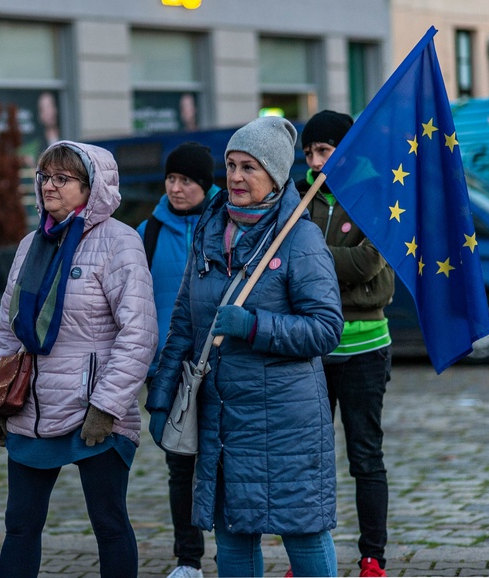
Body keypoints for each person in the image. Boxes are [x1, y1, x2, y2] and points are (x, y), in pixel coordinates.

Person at [146, 116, 344, 578]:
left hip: (286, 422)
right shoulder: (209, 230)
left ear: (274, 176)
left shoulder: (301, 236)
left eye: (249, 167)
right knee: (233, 535)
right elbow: (182, 323)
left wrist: (255, 326)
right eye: (231, 165)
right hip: (222, 419)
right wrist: (161, 397)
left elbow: (324, 328)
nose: (235, 177)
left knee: (304, 532)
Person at [0, 141, 159, 578]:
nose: (49, 186)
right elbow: (9, 329)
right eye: (44, 177)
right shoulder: (31, 244)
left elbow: (139, 333)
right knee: (20, 526)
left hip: (93, 410)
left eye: (62, 178)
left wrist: (108, 406)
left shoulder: (120, 242)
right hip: (32, 407)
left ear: (92, 187)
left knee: (109, 524)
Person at [297, 110, 394, 578]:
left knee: (365, 455)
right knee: (311, 457)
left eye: (324, 151)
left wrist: (310, 256)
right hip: (314, 347)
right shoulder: (301, 199)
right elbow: (287, 264)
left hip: (365, 347)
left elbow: (367, 264)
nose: (316, 162)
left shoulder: (376, 192)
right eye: (309, 154)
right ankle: (310, 555)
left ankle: (372, 555)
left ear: (347, 148)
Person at [137, 141, 220, 578]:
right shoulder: (146, 233)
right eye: (171, 178)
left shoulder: (226, 226)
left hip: (221, 364)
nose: (176, 187)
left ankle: (233, 550)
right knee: (180, 466)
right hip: (168, 368)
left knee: (226, 461)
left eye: (186, 180)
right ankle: (188, 559)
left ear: (205, 186)